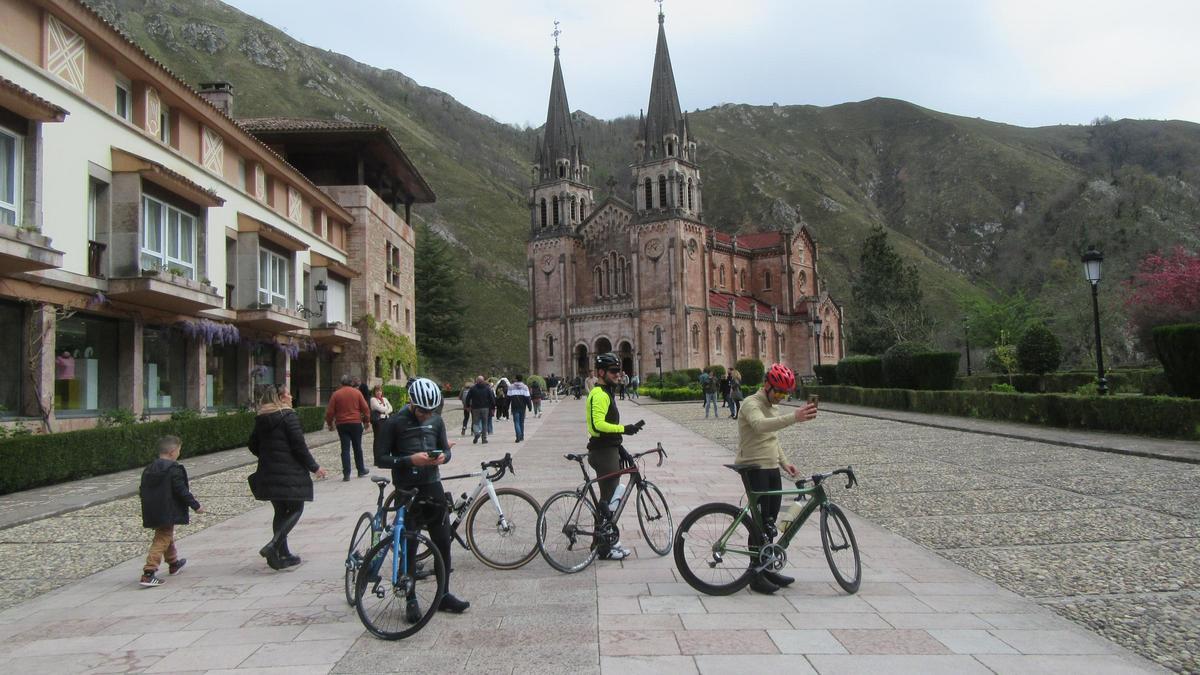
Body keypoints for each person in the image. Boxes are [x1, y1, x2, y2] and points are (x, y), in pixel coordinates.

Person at [373, 377, 470, 617]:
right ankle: (411, 597)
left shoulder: (437, 421)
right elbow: (380, 458)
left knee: (443, 542)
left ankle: (444, 595)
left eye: (431, 411)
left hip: (432, 486)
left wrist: (443, 458)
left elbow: (445, 450)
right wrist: (408, 460)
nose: (427, 415)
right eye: (423, 411)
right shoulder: (394, 423)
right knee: (410, 544)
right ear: (412, 403)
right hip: (407, 490)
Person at [735, 363, 817, 594]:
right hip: (753, 467)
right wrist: (794, 417)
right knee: (759, 524)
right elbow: (760, 426)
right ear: (767, 385)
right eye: (779, 391)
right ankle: (755, 576)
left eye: (785, 393)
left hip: (771, 467)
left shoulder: (772, 405)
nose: (781, 396)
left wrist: (785, 462)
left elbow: (773, 437)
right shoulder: (751, 403)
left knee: (770, 523)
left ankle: (767, 568)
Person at [250, 384, 328, 570]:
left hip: (269, 471)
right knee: (296, 508)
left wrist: (269, 455)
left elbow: (252, 444)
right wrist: (315, 467)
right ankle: (273, 545)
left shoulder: (262, 417)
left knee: (280, 510)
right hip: (290, 471)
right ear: (281, 398)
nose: (292, 396)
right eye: (288, 394)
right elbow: (298, 446)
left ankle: (282, 553)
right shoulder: (288, 416)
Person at [585, 353, 645, 560]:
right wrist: (624, 429)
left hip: (608, 450)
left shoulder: (606, 392)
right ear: (601, 373)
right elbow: (597, 425)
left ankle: (601, 542)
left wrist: (620, 449)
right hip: (602, 453)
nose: (617, 375)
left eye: (618, 371)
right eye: (613, 371)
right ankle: (606, 546)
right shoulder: (600, 394)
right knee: (610, 501)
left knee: (607, 500)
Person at [138, 435, 203, 587]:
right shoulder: (173, 469)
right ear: (173, 452)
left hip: (152, 509)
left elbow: (142, 490)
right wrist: (196, 505)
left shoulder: (149, 468)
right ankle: (149, 572)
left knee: (166, 535)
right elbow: (181, 490)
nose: (179, 453)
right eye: (179, 450)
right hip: (167, 509)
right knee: (162, 538)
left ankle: (173, 563)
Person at [326, 374, 371, 481]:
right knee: (357, 447)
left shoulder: (336, 394)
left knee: (345, 449)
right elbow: (365, 408)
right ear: (351, 383)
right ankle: (361, 470)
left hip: (342, 424)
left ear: (341, 383)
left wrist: (330, 424)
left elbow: (330, 412)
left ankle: (346, 473)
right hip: (355, 423)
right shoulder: (357, 393)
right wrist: (366, 421)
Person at [465, 375, 495, 444]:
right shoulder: (487, 388)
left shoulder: (472, 388)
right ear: (483, 381)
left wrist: (468, 406)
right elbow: (491, 398)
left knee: (475, 422)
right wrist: (493, 407)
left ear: (476, 381)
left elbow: (468, 398)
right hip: (485, 408)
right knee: (485, 423)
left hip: (475, 408)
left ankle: (477, 433)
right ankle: (484, 439)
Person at [507, 375, 532, 442]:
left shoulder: (511, 387)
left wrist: (506, 407)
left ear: (516, 379)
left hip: (514, 407)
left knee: (516, 422)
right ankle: (521, 436)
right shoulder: (525, 387)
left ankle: (518, 435)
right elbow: (528, 398)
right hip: (522, 407)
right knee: (521, 422)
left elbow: (508, 398)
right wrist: (529, 406)